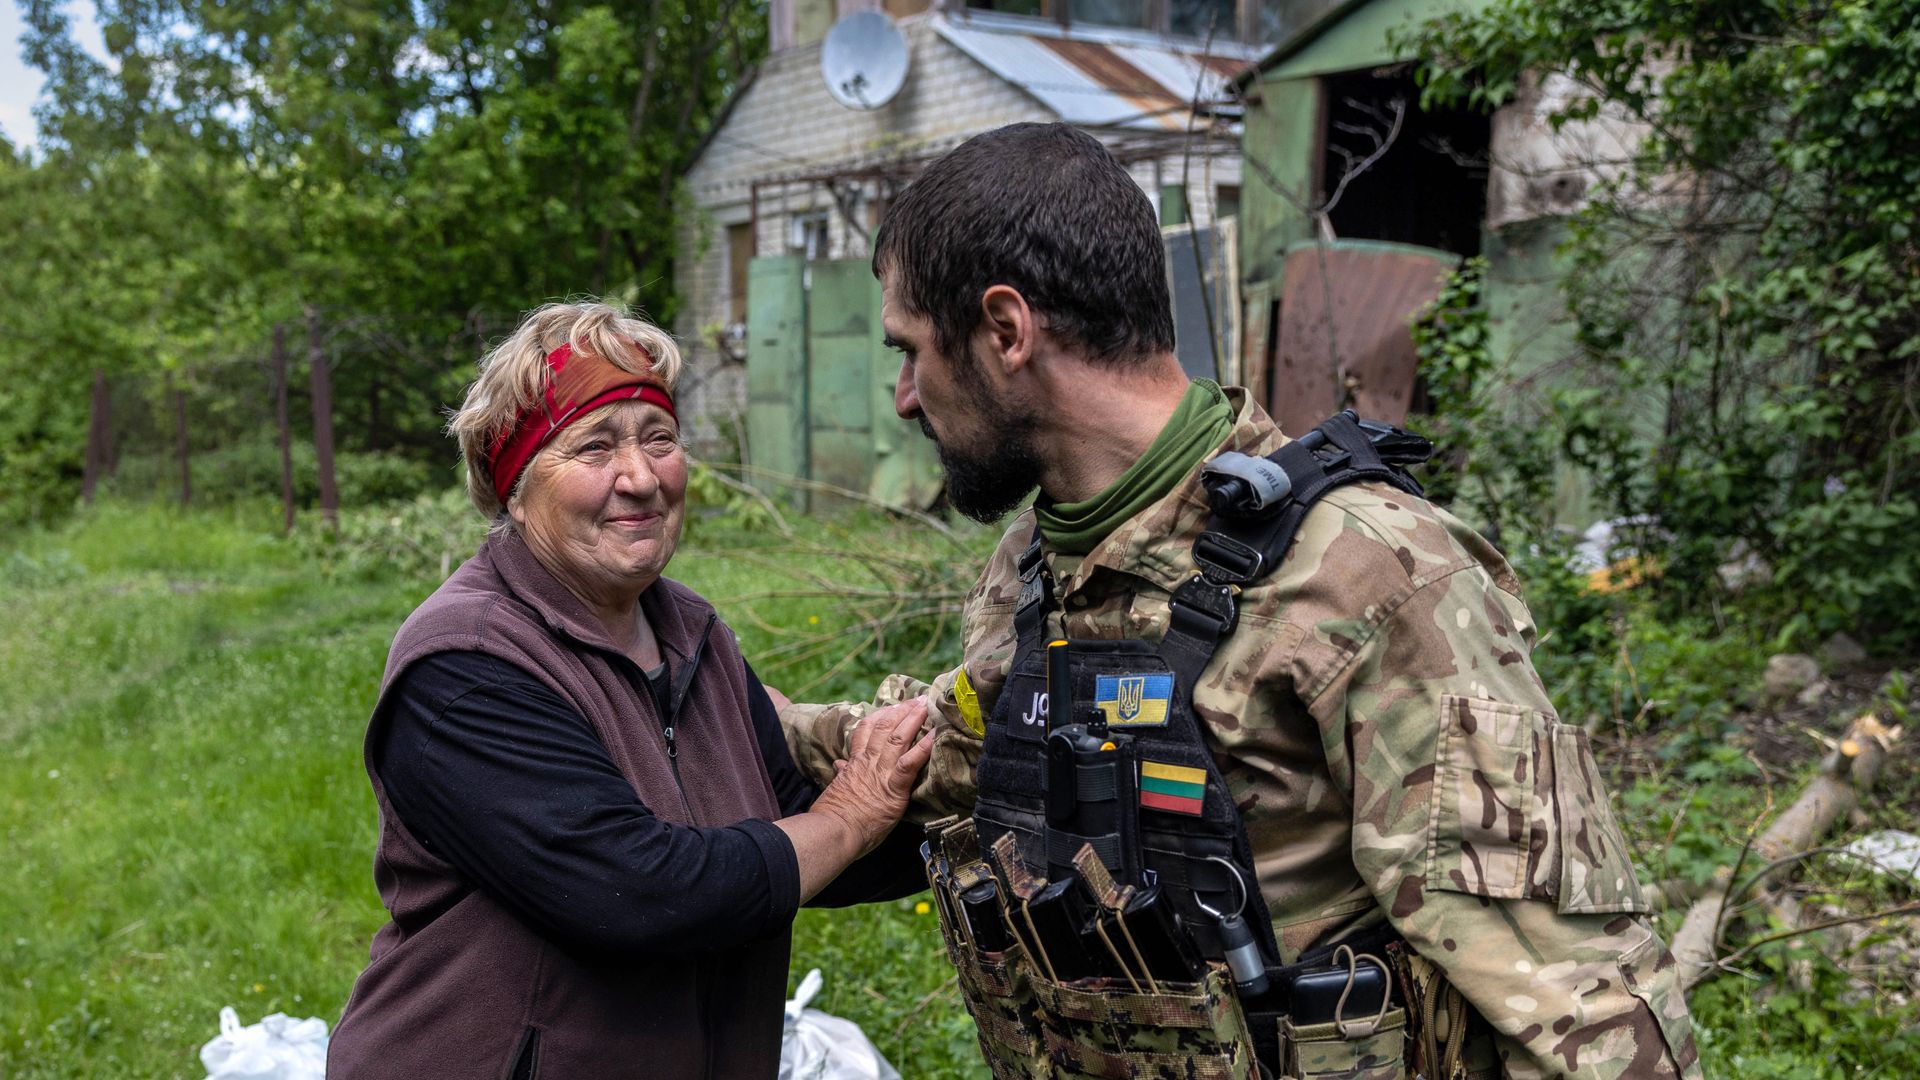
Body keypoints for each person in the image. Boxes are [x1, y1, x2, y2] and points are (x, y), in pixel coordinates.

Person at [781, 123, 1702, 1079]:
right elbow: (958, 747)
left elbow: (1584, 1009)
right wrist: (725, 708)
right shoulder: (1039, 560)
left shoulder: (1365, 574)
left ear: (1006, 332)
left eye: (911, 351)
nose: (902, 396)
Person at [328, 301, 931, 1079]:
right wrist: (852, 813)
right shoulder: (465, 664)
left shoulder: (692, 633)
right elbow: (639, 892)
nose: (641, 478)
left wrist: (989, 819)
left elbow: (795, 828)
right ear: (515, 482)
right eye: (593, 446)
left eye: (660, 439)